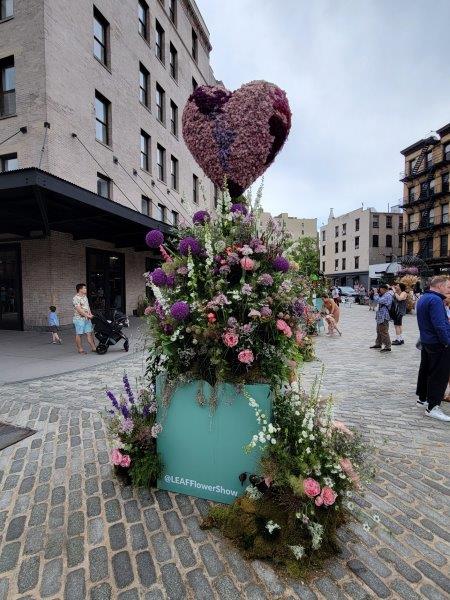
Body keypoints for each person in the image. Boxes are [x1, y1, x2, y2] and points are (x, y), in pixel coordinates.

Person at [415, 276, 450, 421]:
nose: (449, 289)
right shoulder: (436, 300)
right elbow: (440, 325)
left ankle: (423, 399)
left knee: (425, 370)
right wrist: (447, 342)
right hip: (438, 343)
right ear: (440, 286)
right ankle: (433, 406)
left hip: (427, 341)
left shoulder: (424, 297)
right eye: (448, 286)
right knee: (439, 375)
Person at [73, 283, 96, 354]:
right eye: (84, 288)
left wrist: (90, 314)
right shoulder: (75, 298)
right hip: (79, 319)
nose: (86, 289)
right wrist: (87, 315)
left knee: (89, 333)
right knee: (79, 334)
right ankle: (80, 349)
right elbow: (79, 309)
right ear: (80, 289)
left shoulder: (85, 297)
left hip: (87, 319)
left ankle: (94, 348)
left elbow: (87, 307)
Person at [370, 284, 393, 352]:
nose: (380, 291)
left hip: (384, 316)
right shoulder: (384, 294)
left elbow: (379, 300)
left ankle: (387, 346)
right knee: (379, 330)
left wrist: (376, 293)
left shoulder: (388, 295)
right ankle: (378, 344)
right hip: (380, 316)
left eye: (381, 290)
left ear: (384, 289)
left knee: (384, 331)